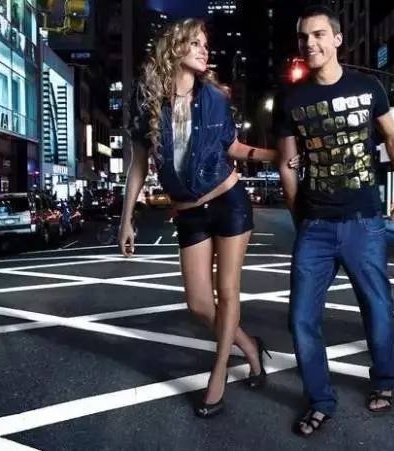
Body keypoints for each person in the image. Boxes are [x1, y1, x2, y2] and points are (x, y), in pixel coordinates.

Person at [120, 18, 299, 418]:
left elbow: (232, 146)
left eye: (206, 44)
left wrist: (276, 156)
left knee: (228, 292)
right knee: (199, 303)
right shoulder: (147, 100)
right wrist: (126, 218)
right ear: (175, 47)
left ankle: (218, 376)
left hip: (228, 201)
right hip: (188, 212)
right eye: (196, 43)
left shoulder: (215, 96)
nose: (205, 50)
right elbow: (138, 164)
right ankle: (249, 345)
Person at [275, 5, 394, 437]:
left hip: (363, 219)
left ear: (337, 39)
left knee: (377, 306)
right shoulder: (291, 99)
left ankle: (385, 380)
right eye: (304, 37)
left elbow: (393, 138)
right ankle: (320, 400)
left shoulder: (368, 86)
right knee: (301, 318)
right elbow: (286, 164)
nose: (310, 43)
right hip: (315, 225)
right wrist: (300, 214)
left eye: (319, 34)